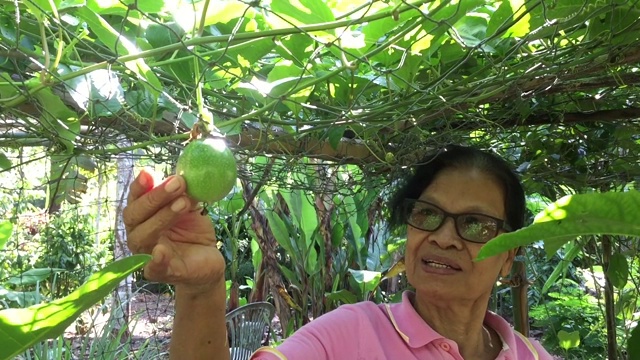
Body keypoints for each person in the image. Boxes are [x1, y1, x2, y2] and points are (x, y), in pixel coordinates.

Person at [123, 144, 554, 360]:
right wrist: (202, 292)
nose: (444, 236)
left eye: (475, 224)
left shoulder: (536, 357)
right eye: (427, 213)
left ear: (507, 254)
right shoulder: (346, 337)